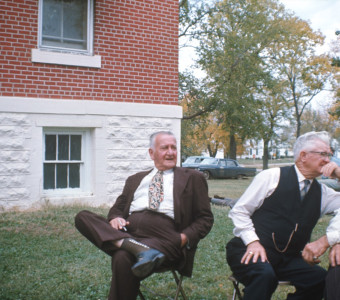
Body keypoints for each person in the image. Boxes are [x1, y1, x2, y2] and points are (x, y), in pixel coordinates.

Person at [75, 131, 214, 300]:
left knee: (122, 257)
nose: (170, 152)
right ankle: (137, 248)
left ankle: (133, 248)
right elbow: (117, 207)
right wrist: (115, 218)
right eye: (164, 148)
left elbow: (205, 218)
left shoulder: (193, 178)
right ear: (151, 153)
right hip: (129, 231)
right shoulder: (135, 179)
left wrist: (183, 238)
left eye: (174, 148)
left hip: (165, 237)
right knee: (82, 216)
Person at [226, 131, 340, 300]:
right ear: (303, 156)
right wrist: (253, 242)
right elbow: (240, 211)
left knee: (320, 279)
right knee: (264, 276)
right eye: (323, 154)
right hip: (248, 250)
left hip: (288, 258)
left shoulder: (323, 193)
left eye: (329, 155)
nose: (328, 160)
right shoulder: (271, 177)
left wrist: (339, 175)